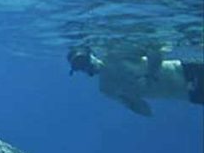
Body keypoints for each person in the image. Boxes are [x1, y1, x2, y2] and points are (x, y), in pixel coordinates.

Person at [68, 45, 204, 116]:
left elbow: (156, 49)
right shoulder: (106, 89)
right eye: (79, 66)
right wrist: (131, 103)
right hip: (189, 94)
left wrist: (151, 73)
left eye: (84, 61)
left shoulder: (116, 55)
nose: (85, 67)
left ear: (91, 54)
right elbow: (146, 111)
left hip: (189, 71)